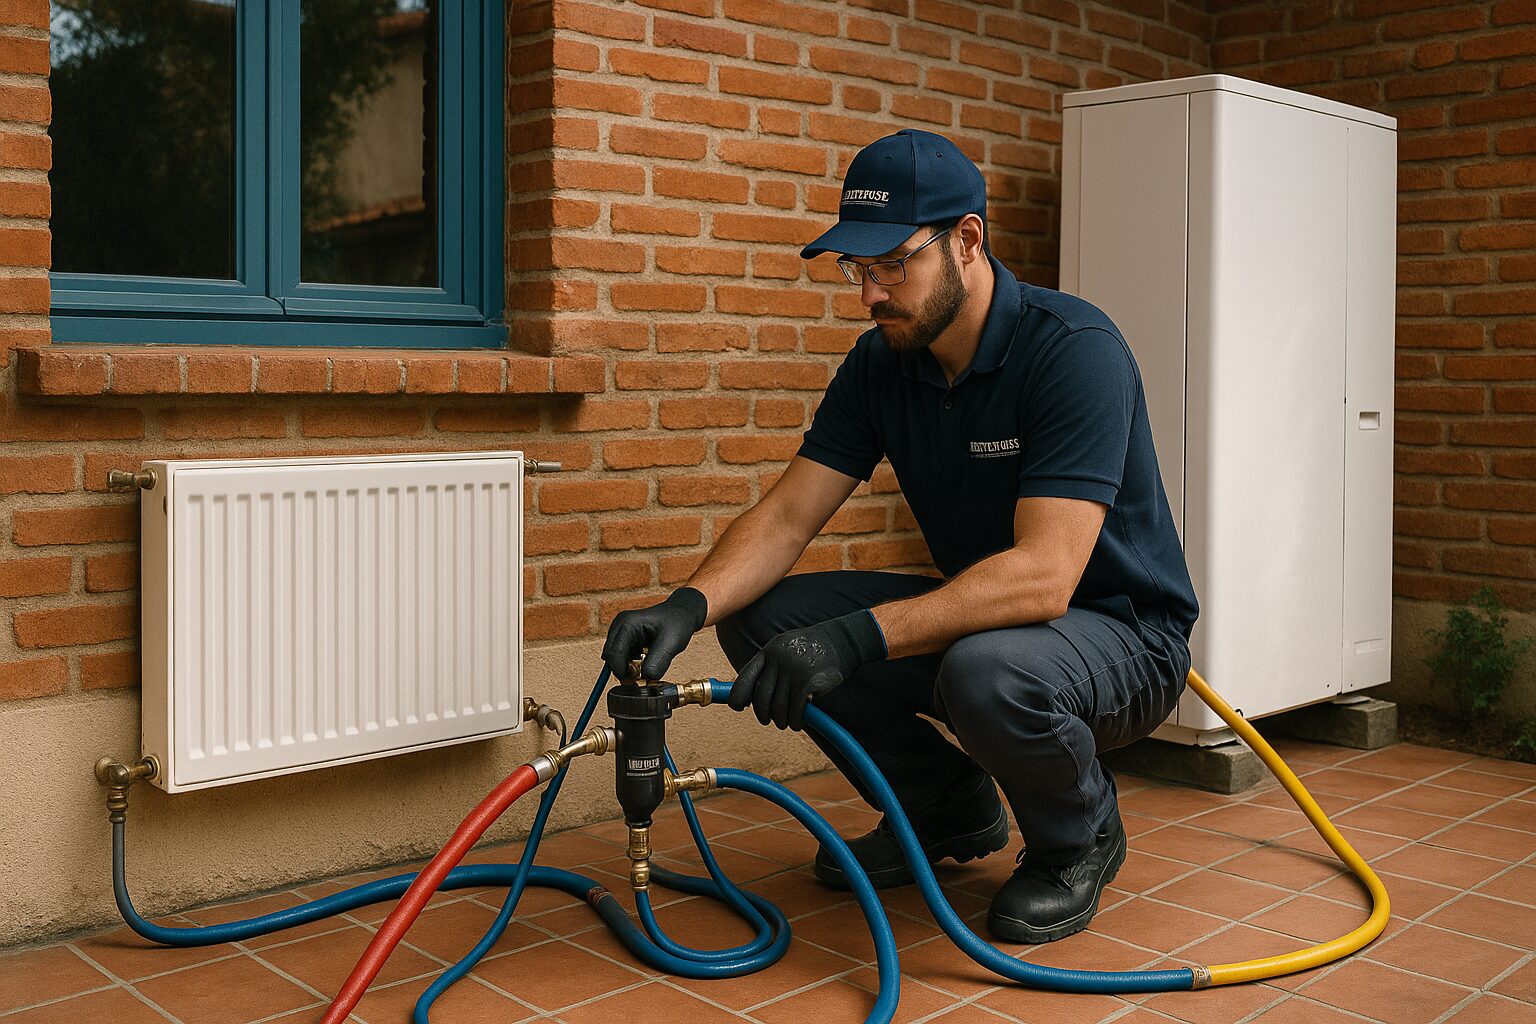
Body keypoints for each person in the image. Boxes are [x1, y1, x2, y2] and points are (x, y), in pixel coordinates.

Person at [602, 128, 1199, 944]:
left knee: (984, 672)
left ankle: (1078, 837)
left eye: (892, 266)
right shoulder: (884, 363)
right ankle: (944, 806)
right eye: (859, 270)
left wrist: (855, 639)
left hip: (1122, 634)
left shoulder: (1073, 353)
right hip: (991, 624)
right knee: (764, 620)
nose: (870, 295)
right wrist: (687, 605)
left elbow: (1045, 577)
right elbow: (785, 517)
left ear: (967, 241)